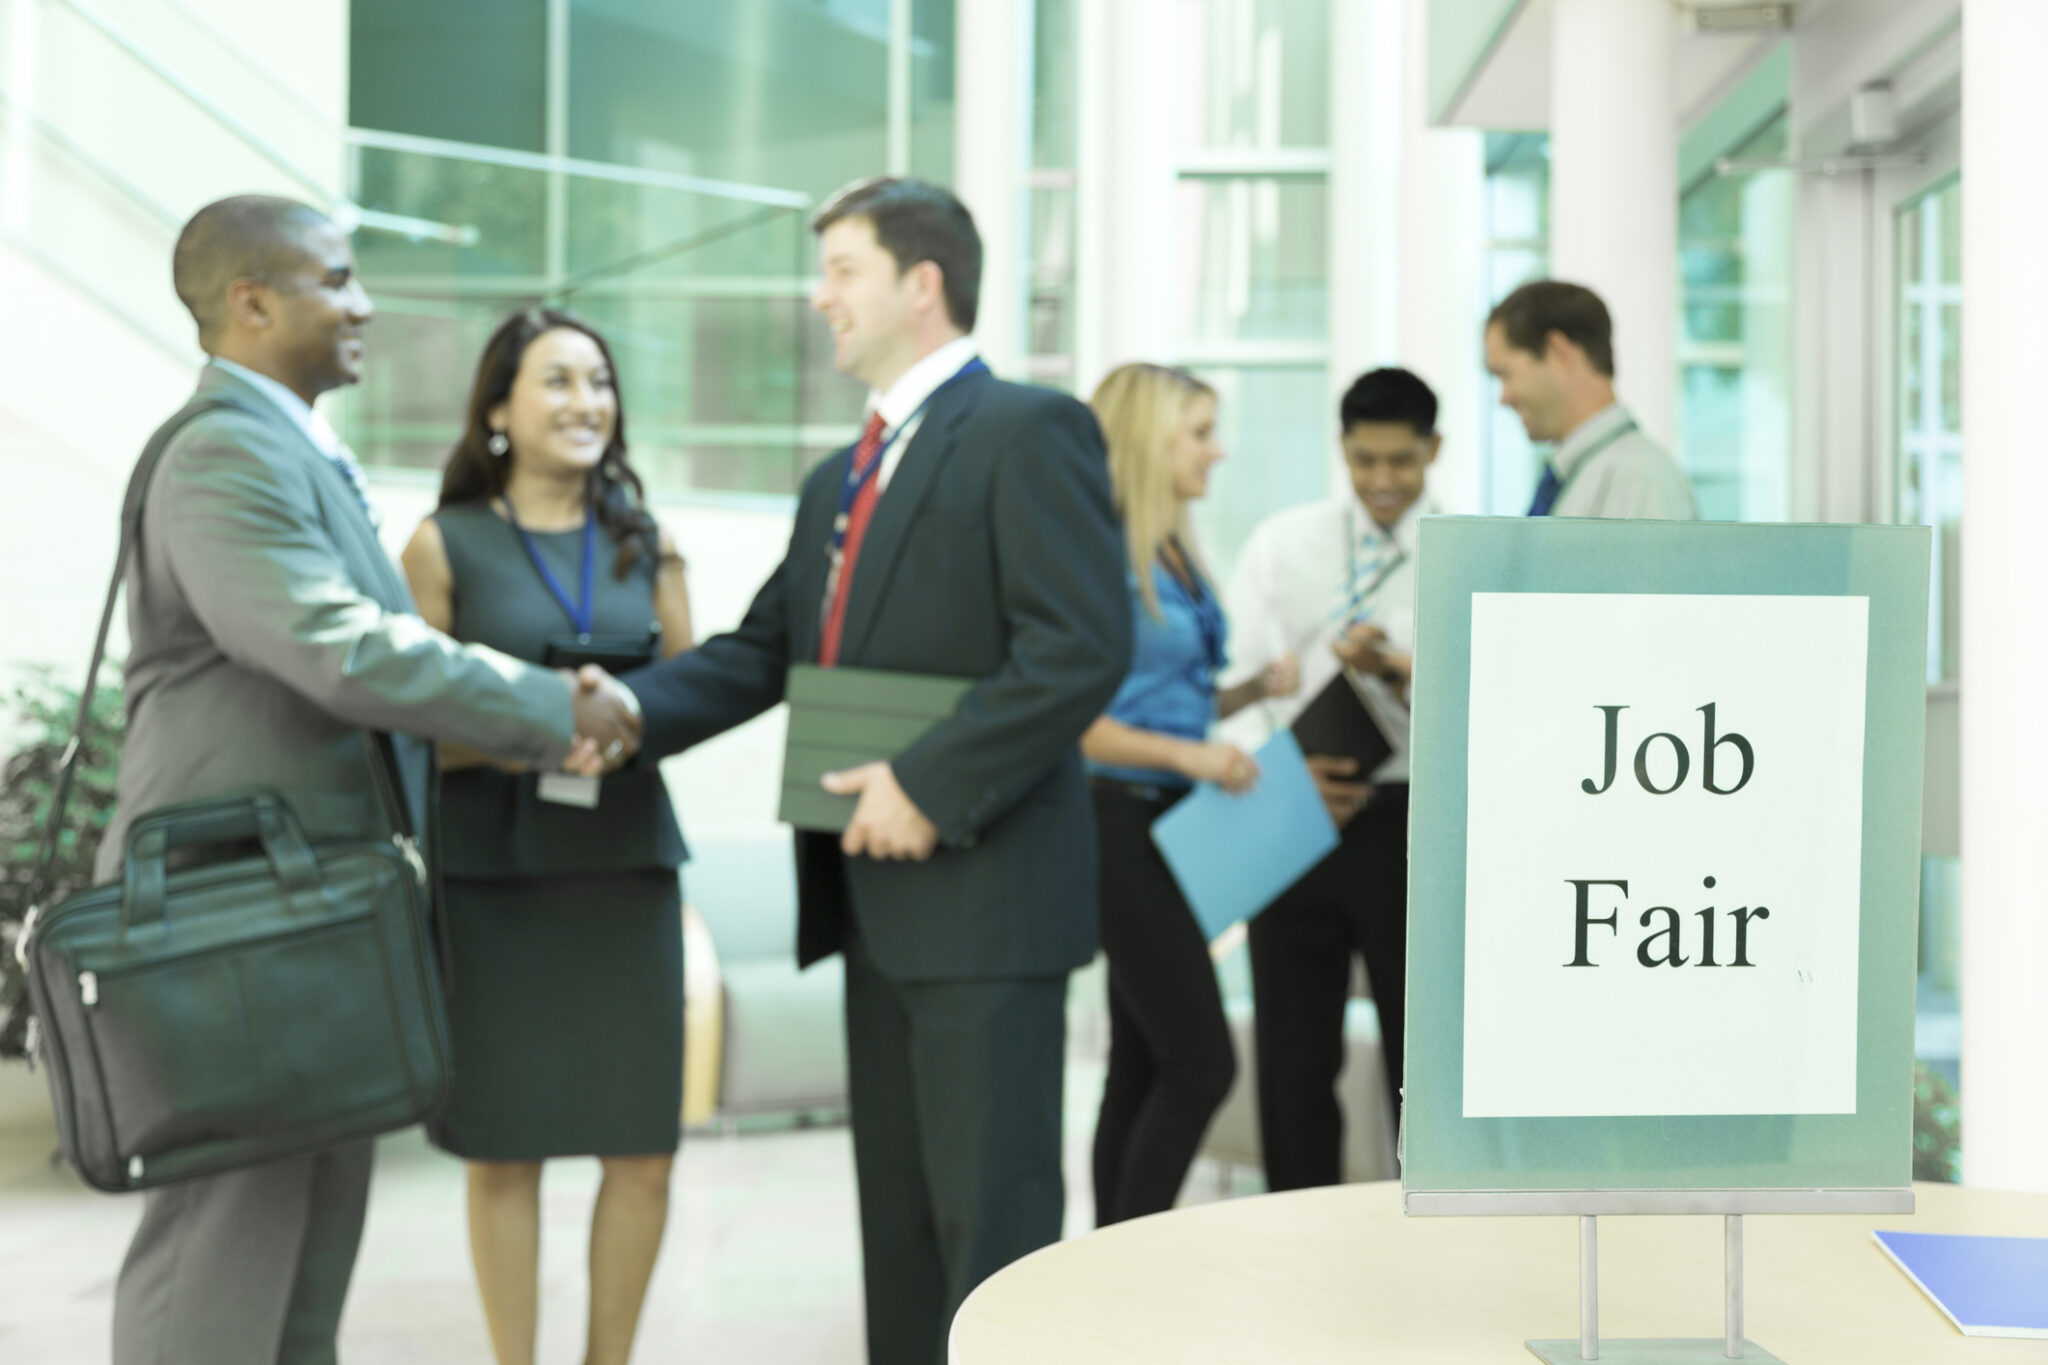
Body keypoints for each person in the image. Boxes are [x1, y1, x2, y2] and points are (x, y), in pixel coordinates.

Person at [98, 196, 642, 1365]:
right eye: (337, 281)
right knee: (222, 1251)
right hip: (230, 925)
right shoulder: (224, 452)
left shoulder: (288, 443)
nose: (365, 304)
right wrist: (554, 707)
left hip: (303, 920)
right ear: (251, 303)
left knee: (301, 1254)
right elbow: (337, 647)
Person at [618, 176, 1130, 1365]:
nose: (819, 297)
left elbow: (1077, 648)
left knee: (991, 1229)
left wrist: (927, 783)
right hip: (870, 902)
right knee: (896, 1233)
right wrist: (608, 715)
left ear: (922, 283)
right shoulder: (833, 479)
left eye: (840, 269)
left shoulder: (1026, 428)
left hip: (986, 904)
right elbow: (761, 653)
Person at [398, 309, 691, 1365]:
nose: (586, 403)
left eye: (600, 382)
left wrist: (622, 734)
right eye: (558, 381)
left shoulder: (645, 541)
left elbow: (682, 697)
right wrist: (536, 731)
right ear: (497, 409)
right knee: (506, 1152)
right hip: (496, 884)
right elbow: (410, 728)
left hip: (625, 874)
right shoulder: (442, 545)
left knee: (643, 1149)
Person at [1079, 363, 1298, 1225]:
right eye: (1201, 432)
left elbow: (1168, 694)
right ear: (1149, 440)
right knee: (1201, 1061)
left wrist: (1245, 696)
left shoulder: (1169, 546)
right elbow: (1080, 723)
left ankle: (1105, 1261)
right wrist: (1197, 756)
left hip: (1171, 824)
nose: (1219, 451)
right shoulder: (1097, 558)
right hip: (1120, 824)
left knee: (1142, 1061)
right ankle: (1123, 1261)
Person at [1216, 367, 1439, 1192]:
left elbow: (1495, 689)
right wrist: (1280, 775)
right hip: (1293, 808)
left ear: (1434, 450)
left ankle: (1430, 1228)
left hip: (1413, 820)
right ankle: (1294, 1230)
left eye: (1402, 462)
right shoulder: (1283, 542)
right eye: (1365, 460)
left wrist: (1403, 670)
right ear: (1342, 450)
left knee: (1422, 1055)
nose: (1383, 481)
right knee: (1293, 1054)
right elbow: (1232, 680)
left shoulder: (1464, 547)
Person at [1484, 279, 1698, 520]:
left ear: (1556, 352)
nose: (1503, 398)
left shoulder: (1638, 481)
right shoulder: (1584, 475)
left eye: (1505, 374)